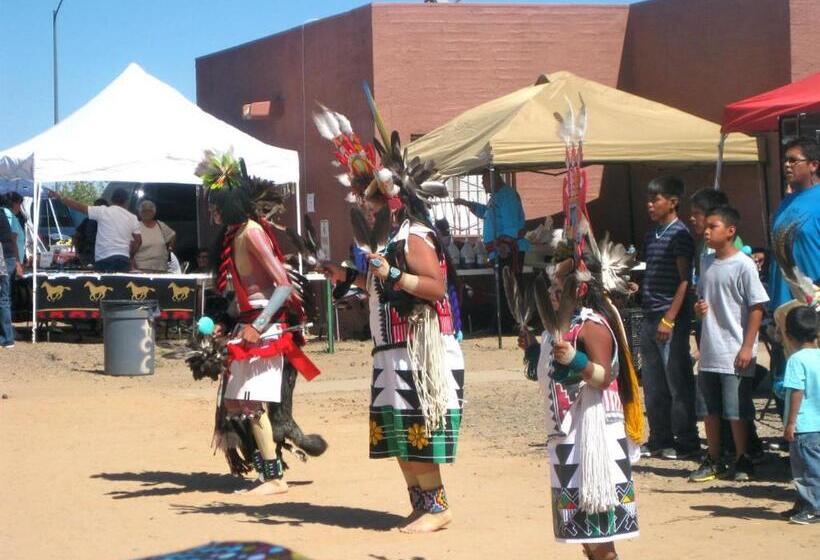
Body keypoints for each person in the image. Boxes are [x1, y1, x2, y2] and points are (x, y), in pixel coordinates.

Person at [315, 104, 464, 533]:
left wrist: (393, 273)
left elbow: (434, 288)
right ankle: (421, 504)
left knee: (417, 431)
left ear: (393, 201)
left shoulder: (415, 235)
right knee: (398, 433)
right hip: (392, 349)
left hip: (420, 349)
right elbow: (383, 286)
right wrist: (349, 278)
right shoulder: (390, 238)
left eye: (373, 202)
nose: (368, 209)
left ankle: (438, 508)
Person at [196, 151, 325, 495]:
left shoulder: (252, 233)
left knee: (252, 404)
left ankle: (274, 479)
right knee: (239, 403)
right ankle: (270, 473)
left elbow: (282, 285)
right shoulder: (235, 235)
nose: (213, 213)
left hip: (266, 329)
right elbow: (244, 291)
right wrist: (228, 321)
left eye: (216, 206)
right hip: (249, 325)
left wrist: (260, 324)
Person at [688, 206, 768, 483]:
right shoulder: (706, 262)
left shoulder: (743, 265)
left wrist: (748, 346)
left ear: (730, 231)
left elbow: (757, 306)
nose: (707, 231)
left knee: (736, 410)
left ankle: (742, 457)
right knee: (709, 410)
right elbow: (705, 298)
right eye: (706, 226)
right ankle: (714, 458)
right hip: (710, 349)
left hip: (734, 350)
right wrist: (699, 310)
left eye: (714, 226)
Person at [640, 176, 700, 459]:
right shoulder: (652, 235)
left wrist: (670, 318)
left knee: (677, 381)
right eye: (649, 200)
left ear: (673, 202)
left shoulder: (681, 236)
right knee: (652, 384)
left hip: (668, 318)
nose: (650, 205)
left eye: (656, 199)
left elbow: (684, 280)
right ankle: (660, 438)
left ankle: (687, 440)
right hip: (649, 314)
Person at [455, 170, 529, 330]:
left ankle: (510, 323)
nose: (482, 183)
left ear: (493, 178)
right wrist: (468, 204)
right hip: (499, 250)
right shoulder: (496, 197)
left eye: (484, 180)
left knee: (508, 287)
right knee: (502, 287)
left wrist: (504, 245)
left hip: (508, 250)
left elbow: (511, 224)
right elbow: (487, 214)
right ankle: (503, 322)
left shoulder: (507, 195)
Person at [781, 306, 820, 525]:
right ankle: (804, 503)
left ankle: (813, 507)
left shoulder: (796, 360)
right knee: (812, 467)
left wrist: (791, 422)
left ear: (789, 335)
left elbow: (797, 391)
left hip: (804, 426)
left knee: (805, 469)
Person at [50, 187, 141, 273]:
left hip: (104, 259)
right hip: (123, 259)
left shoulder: (103, 211)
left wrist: (60, 197)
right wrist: (130, 254)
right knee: (120, 288)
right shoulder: (133, 218)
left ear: (111, 200)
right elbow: (138, 241)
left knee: (104, 288)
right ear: (126, 201)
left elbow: (78, 206)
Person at [134, 199, 176, 273]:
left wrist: (170, 248)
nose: (146, 213)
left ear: (154, 212)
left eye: (149, 210)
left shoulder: (160, 225)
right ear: (140, 213)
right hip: (142, 268)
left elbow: (172, 235)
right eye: (144, 211)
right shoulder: (136, 226)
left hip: (161, 267)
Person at [0, 208, 21, 348]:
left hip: (3, 259)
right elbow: (13, 238)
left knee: (3, 299)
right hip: (9, 258)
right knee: (4, 298)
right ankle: (8, 337)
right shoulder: (3, 213)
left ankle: (7, 337)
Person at [72, 198, 108, 266]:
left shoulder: (88, 220)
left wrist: (79, 253)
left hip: (88, 256)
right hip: (104, 255)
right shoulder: (112, 222)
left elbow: (76, 238)